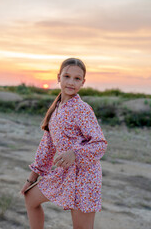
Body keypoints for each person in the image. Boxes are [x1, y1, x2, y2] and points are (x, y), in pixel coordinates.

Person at [20, 58, 108, 229]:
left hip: (85, 176)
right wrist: (31, 179)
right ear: (58, 77)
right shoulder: (57, 108)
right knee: (30, 198)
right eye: (67, 76)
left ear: (83, 82)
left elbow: (100, 143)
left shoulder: (82, 109)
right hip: (63, 173)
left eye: (77, 78)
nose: (71, 82)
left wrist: (75, 153)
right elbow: (47, 146)